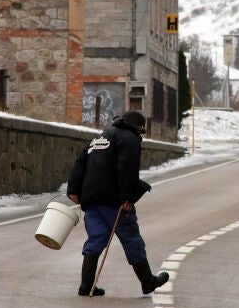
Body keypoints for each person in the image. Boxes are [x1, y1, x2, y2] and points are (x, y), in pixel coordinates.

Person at [67, 110, 169, 297]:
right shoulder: (129, 139)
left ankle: (86, 285)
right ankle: (148, 281)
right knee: (131, 239)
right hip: (113, 200)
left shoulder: (100, 137)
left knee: (96, 239)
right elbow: (127, 170)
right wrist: (127, 199)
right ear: (137, 128)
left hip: (91, 199)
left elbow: (80, 162)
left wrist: (73, 190)